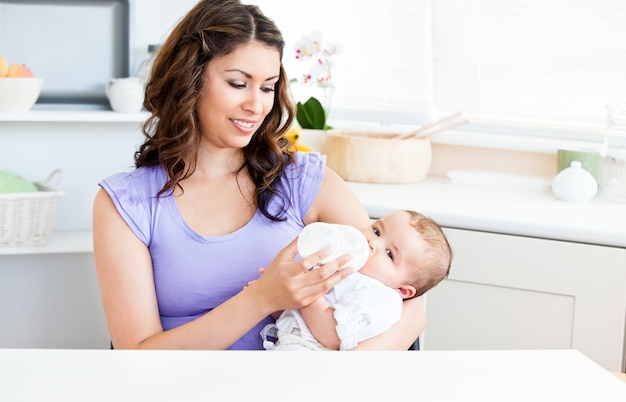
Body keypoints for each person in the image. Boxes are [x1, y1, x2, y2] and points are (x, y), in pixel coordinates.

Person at [92, 0, 426, 350]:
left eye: (267, 87)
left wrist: (337, 378)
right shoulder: (126, 205)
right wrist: (261, 300)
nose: (257, 105)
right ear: (187, 78)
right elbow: (135, 356)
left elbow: (408, 303)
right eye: (238, 83)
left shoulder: (302, 181)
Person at [261, 210, 452, 350]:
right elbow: (302, 322)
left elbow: (331, 334)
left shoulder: (379, 297)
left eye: (389, 253)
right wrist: (278, 298)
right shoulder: (344, 269)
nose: (373, 242)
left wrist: (307, 293)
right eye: (377, 231)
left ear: (403, 290)